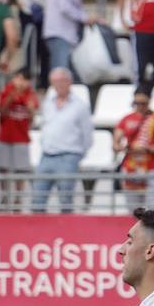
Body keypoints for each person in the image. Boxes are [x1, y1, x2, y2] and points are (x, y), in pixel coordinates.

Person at [31, 67, 93, 213]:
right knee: (37, 198)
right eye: (54, 82)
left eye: (61, 81)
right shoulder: (48, 103)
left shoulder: (80, 106)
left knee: (66, 200)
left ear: (69, 82)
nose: (58, 85)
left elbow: (87, 135)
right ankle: (36, 232)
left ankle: (67, 233)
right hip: (46, 155)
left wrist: (77, 155)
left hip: (68, 156)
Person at [115, 88, 154, 210]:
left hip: (151, 167)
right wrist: (124, 148)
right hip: (131, 166)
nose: (140, 106)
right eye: (137, 103)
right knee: (133, 209)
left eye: (143, 103)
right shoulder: (126, 119)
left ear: (149, 102)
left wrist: (146, 149)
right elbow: (116, 143)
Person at [43, 0, 98, 82]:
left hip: (66, 33)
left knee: (70, 73)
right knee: (60, 73)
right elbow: (65, 6)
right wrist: (84, 17)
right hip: (60, 32)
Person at [0, 69, 38, 204]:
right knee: (3, 168)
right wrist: (10, 99)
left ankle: (18, 197)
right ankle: (4, 195)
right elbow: (1, 113)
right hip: (5, 136)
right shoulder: (6, 91)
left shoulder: (31, 95)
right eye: (18, 78)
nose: (20, 82)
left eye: (24, 79)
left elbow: (32, 118)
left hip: (21, 137)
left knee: (21, 169)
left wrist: (30, 108)